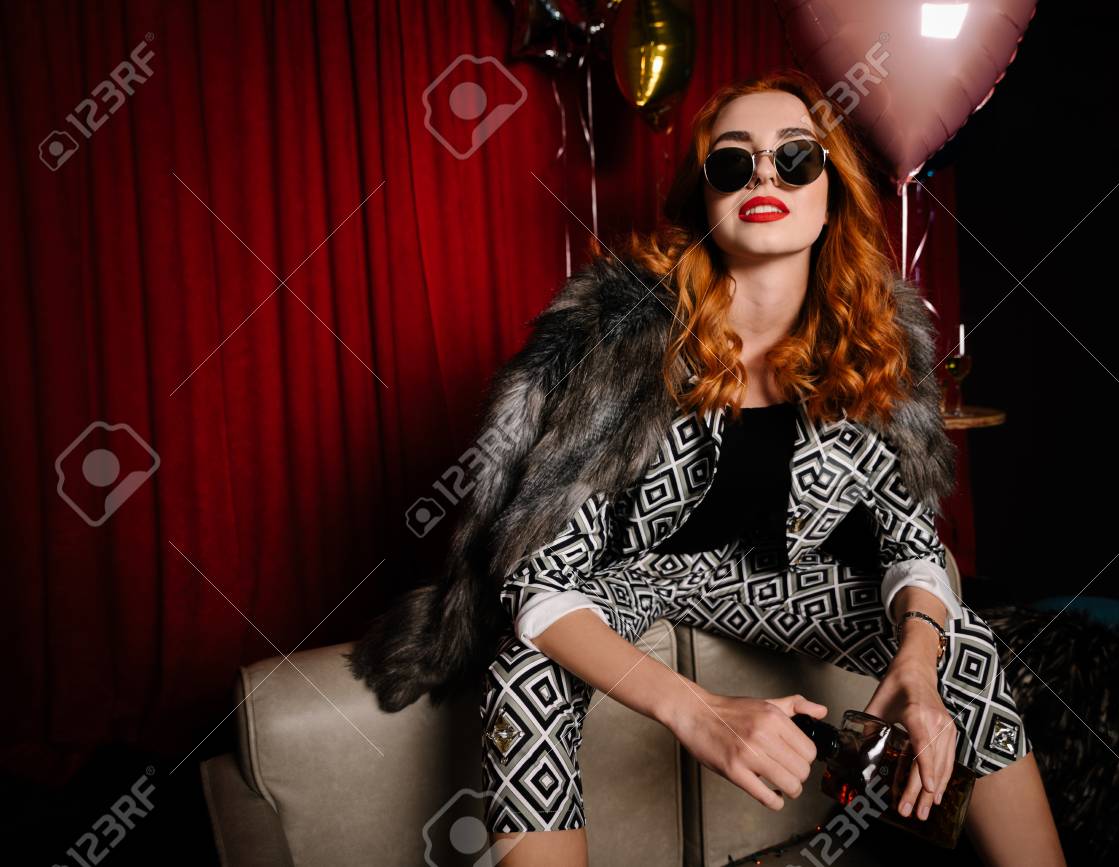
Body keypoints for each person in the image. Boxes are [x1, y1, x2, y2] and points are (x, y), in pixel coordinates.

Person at [349, 68, 1067, 866]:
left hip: (781, 579)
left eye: (795, 158)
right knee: (525, 669)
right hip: (628, 578)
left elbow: (913, 544)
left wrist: (919, 661)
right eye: (733, 161)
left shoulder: (875, 341)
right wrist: (696, 710)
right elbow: (537, 576)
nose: (764, 175)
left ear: (832, 191)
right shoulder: (624, 338)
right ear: (705, 198)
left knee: (961, 643)